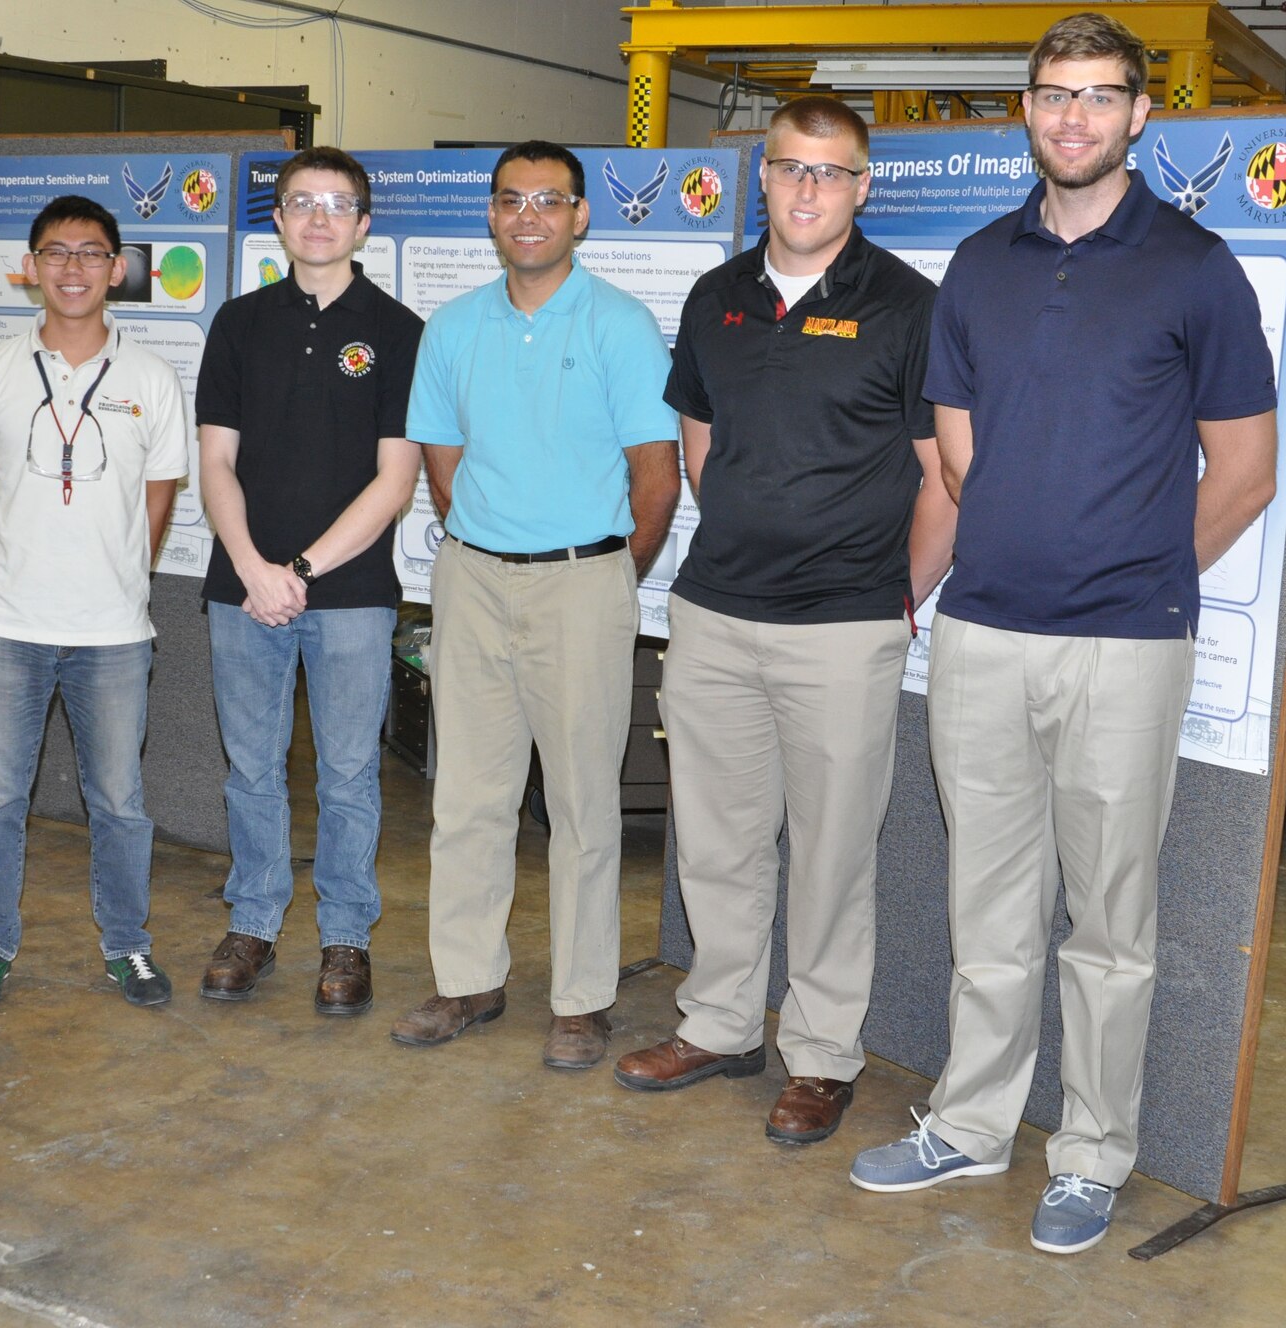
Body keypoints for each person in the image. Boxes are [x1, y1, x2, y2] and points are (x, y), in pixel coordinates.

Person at [847, 13, 1279, 1255]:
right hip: (983, 634)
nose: (1073, 118)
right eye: (1052, 96)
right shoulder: (977, 265)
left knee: (1108, 921)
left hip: (1124, 648)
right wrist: (1017, 551)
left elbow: (1243, 471)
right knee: (984, 902)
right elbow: (956, 446)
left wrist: (1131, 572)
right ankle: (971, 1122)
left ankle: (1089, 1151)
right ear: (1023, 112)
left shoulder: (1195, 268)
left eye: (1098, 97)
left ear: (1139, 116)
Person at [612, 97, 953, 1147]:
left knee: (830, 854)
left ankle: (818, 1055)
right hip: (714, 613)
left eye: (828, 172)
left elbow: (940, 475)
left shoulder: (906, 305)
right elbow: (701, 439)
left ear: (862, 185)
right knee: (713, 842)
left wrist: (897, 597)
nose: (805, 189)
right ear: (760, 177)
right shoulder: (716, 296)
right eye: (788, 169)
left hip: (844, 627)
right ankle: (718, 1023)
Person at [389, 141, 680, 1070]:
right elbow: (440, 459)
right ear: (491, 214)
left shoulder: (621, 325)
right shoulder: (454, 327)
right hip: (471, 577)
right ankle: (468, 978)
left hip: (583, 581)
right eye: (510, 199)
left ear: (581, 216)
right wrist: (485, 535)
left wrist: (599, 568)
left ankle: (583, 998)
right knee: (468, 795)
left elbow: (657, 479)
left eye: (548, 200)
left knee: (585, 801)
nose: (528, 216)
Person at [194, 146, 423, 1016]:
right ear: (279, 220)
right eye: (301, 202)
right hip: (241, 588)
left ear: (363, 224)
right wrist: (255, 568)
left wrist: (300, 571)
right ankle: (253, 920)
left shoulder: (400, 331)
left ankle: (346, 937)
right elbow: (216, 461)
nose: (319, 217)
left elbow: (395, 481)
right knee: (250, 769)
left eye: (338, 204)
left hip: (352, 594)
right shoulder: (239, 323)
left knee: (349, 773)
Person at [0, 195, 190, 1011]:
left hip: (114, 632)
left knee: (119, 803)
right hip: (5, 627)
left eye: (91, 253)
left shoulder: (152, 380)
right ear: (31, 268)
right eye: (56, 252)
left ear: (117, 269)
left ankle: (127, 944)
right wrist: (26, 566)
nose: (74, 267)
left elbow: (154, 504)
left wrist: (113, 575)